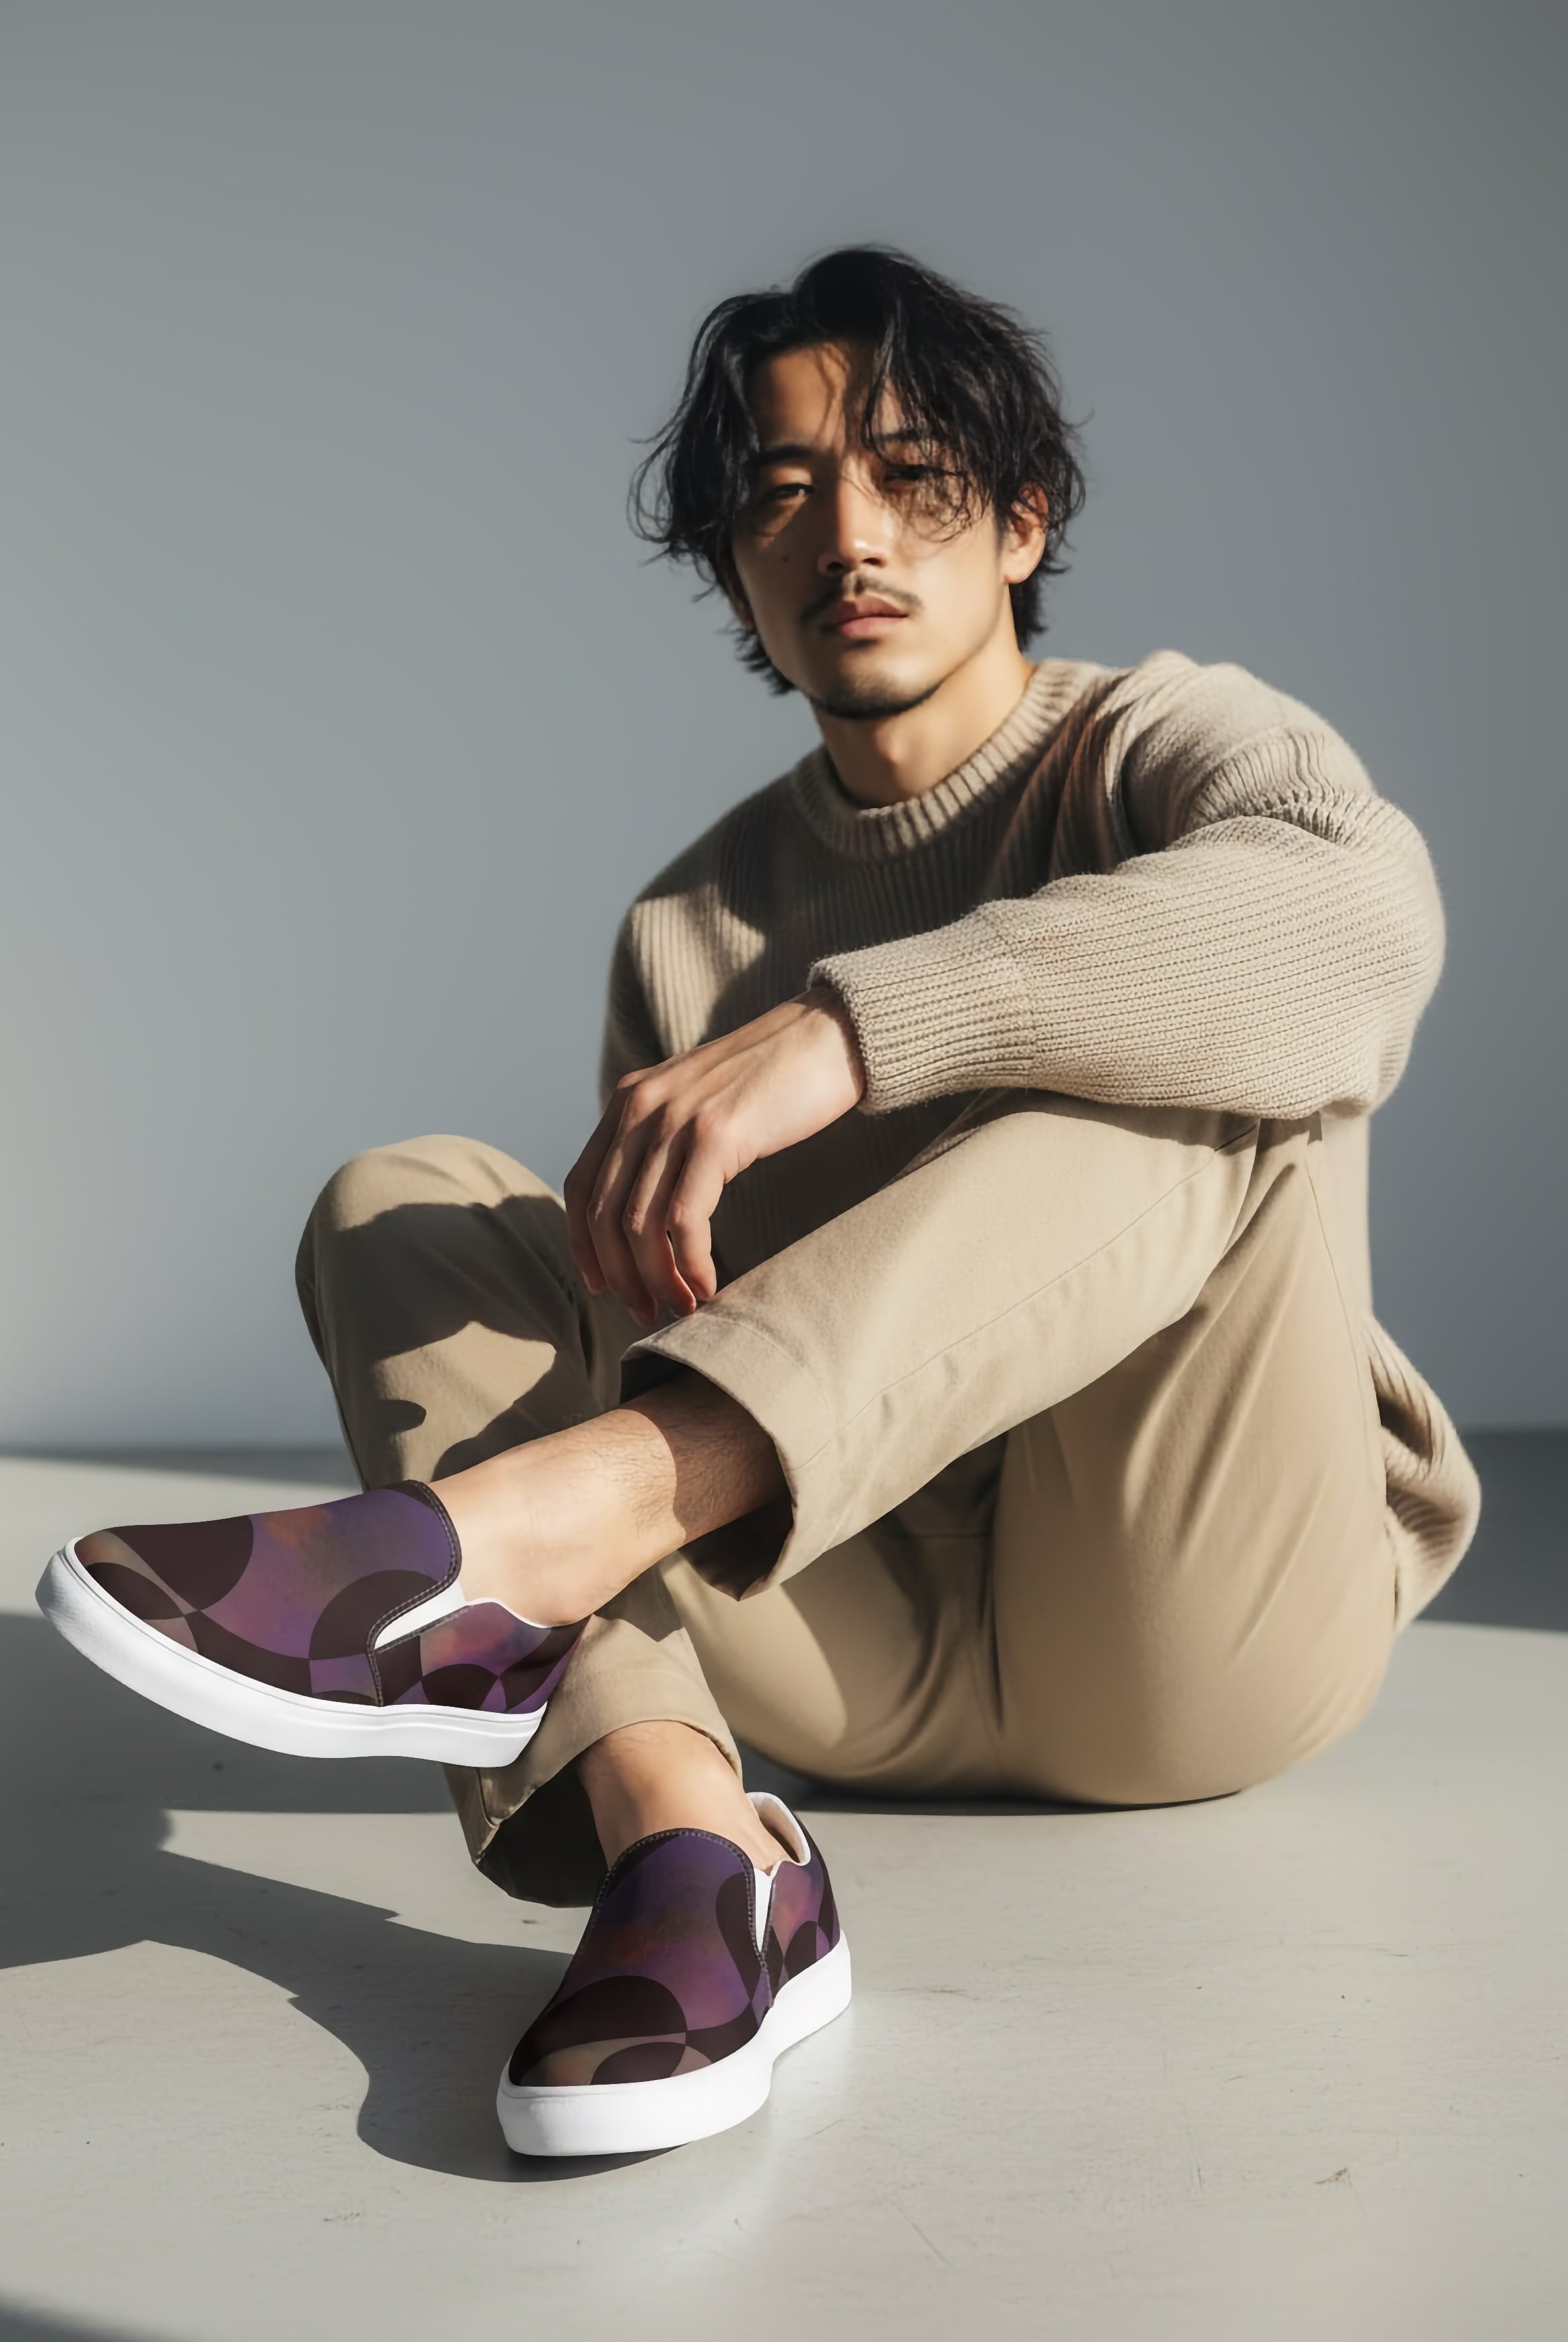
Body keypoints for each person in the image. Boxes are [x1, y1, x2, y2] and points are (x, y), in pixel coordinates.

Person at [38, 245, 1481, 2159]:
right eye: (784, 493)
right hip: (835, 1638)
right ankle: (701, 1865)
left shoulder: (1161, 742)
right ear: (732, 569)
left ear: (1024, 518)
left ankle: (508, 1551)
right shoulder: (690, 925)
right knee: (404, 1201)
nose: (848, 537)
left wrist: (851, 1033)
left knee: (1205, 1052)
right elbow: (660, 1294)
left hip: (1180, 1626)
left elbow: (1365, 920)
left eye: (912, 476)